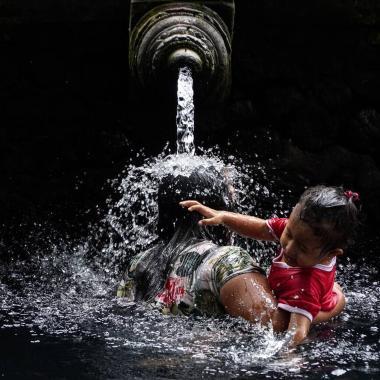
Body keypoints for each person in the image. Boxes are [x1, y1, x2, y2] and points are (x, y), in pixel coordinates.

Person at [180, 186, 360, 345]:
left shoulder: (306, 285)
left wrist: (286, 358)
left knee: (274, 329)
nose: (289, 248)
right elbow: (261, 228)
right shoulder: (302, 232)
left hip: (307, 312)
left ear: (331, 254)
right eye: (288, 233)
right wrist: (224, 217)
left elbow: (296, 332)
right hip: (304, 298)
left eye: (302, 248)